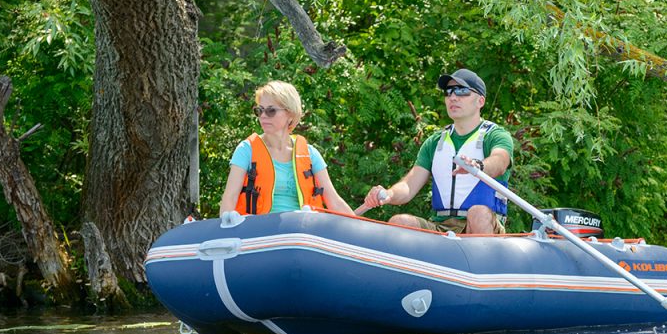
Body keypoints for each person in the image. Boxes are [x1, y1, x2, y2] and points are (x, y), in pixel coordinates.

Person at [363, 68, 514, 234]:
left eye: (462, 91)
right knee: (399, 221)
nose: (453, 97)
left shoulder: (495, 135)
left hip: (481, 224)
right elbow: (408, 185)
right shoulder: (435, 142)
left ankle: (483, 259)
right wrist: (389, 193)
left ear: (480, 101)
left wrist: (478, 166)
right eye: (448, 92)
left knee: (477, 213)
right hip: (442, 227)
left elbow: (500, 161)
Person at [220, 81, 353, 217]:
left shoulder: (310, 154)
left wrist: (362, 229)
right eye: (259, 110)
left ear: (290, 114)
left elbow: (334, 201)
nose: (263, 116)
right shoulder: (246, 150)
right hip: (260, 232)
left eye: (271, 110)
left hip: (303, 232)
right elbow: (229, 199)